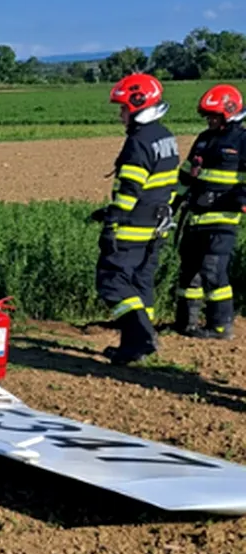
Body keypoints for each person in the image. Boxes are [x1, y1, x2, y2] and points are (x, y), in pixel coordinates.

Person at [90, 72, 181, 365]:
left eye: (123, 109)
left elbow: (130, 190)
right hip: (157, 226)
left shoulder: (138, 143)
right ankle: (139, 345)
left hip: (134, 228)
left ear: (139, 105)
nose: (121, 116)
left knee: (112, 281)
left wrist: (111, 222)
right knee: (141, 283)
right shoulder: (165, 135)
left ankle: (139, 338)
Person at [171, 83, 246, 340]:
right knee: (189, 270)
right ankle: (185, 323)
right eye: (207, 116)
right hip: (195, 217)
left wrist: (241, 199)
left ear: (229, 111)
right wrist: (172, 203)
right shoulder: (203, 139)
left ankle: (220, 326)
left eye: (214, 116)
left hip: (223, 219)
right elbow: (184, 175)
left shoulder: (242, 140)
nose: (210, 120)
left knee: (213, 271)